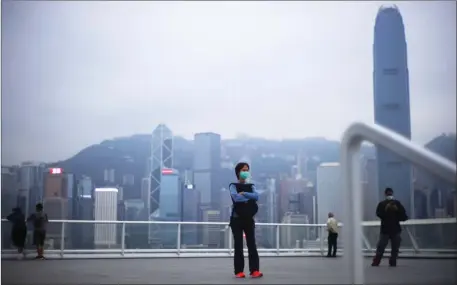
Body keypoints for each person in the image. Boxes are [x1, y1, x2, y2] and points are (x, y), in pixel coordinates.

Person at [229, 162, 263, 279]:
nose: (245, 172)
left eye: (247, 170)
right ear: (238, 172)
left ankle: (255, 270)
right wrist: (248, 196)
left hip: (249, 219)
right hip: (236, 220)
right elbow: (236, 198)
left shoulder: (251, 186)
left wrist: (244, 193)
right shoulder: (233, 185)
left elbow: (256, 196)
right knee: (238, 245)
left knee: (252, 245)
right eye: (243, 170)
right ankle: (238, 271)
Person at [372, 188, 408, 267]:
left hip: (386, 229)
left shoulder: (384, 204)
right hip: (394, 229)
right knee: (392, 247)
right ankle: (391, 261)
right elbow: (404, 217)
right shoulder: (395, 204)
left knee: (382, 246)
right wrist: (389, 210)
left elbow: (379, 214)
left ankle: (378, 261)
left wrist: (396, 210)